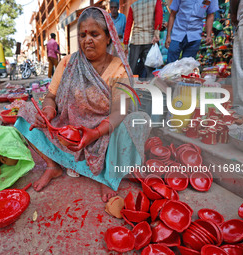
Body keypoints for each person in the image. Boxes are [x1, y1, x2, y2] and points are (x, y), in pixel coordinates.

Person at [15, 7, 150, 202]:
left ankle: (107, 176)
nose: (87, 40)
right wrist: (48, 110)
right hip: (67, 131)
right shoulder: (68, 62)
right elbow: (50, 95)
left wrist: (94, 133)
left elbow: (120, 111)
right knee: (26, 111)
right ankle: (53, 165)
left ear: (109, 37)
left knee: (137, 120)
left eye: (94, 34)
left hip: (101, 134)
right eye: (83, 35)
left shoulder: (118, 69)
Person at [123, 0, 163, 78]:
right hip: (149, 40)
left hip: (136, 41)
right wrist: (156, 34)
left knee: (132, 68)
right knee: (149, 68)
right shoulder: (155, 2)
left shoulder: (133, 6)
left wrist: (125, 43)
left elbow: (128, 26)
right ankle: (149, 87)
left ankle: (130, 86)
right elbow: (159, 16)